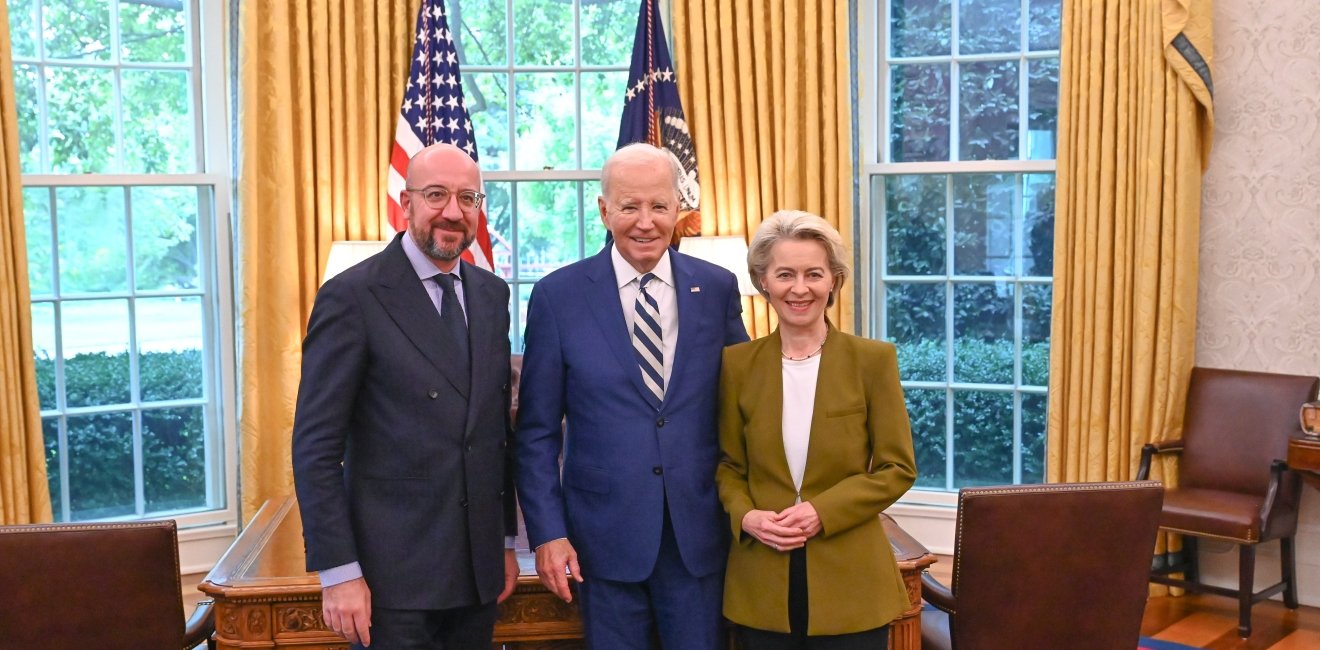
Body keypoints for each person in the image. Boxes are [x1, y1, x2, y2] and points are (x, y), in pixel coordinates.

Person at [515, 142, 750, 649]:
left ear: (678, 209)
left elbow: (746, 408)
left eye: (659, 206)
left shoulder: (716, 289)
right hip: (600, 543)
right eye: (629, 206)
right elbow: (534, 434)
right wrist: (548, 535)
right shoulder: (558, 297)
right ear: (604, 210)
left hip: (699, 537)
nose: (645, 222)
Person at [292, 143, 519, 649]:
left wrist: (504, 540)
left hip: (476, 572)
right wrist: (337, 570)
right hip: (388, 579)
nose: (453, 212)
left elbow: (491, 431)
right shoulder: (352, 296)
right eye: (436, 195)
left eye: (467, 198)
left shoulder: (491, 295)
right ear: (406, 201)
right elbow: (316, 447)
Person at [716, 210, 917, 649]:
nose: (800, 288)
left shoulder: (872, 361)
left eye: (814, 274)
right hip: (761, 582)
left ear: (834, 282)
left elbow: (896, 467)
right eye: (785, 274)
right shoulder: (737, 365)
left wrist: (821, 511)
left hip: (852, 583)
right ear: (763, 281)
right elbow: (730, 466)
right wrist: (746, 516)